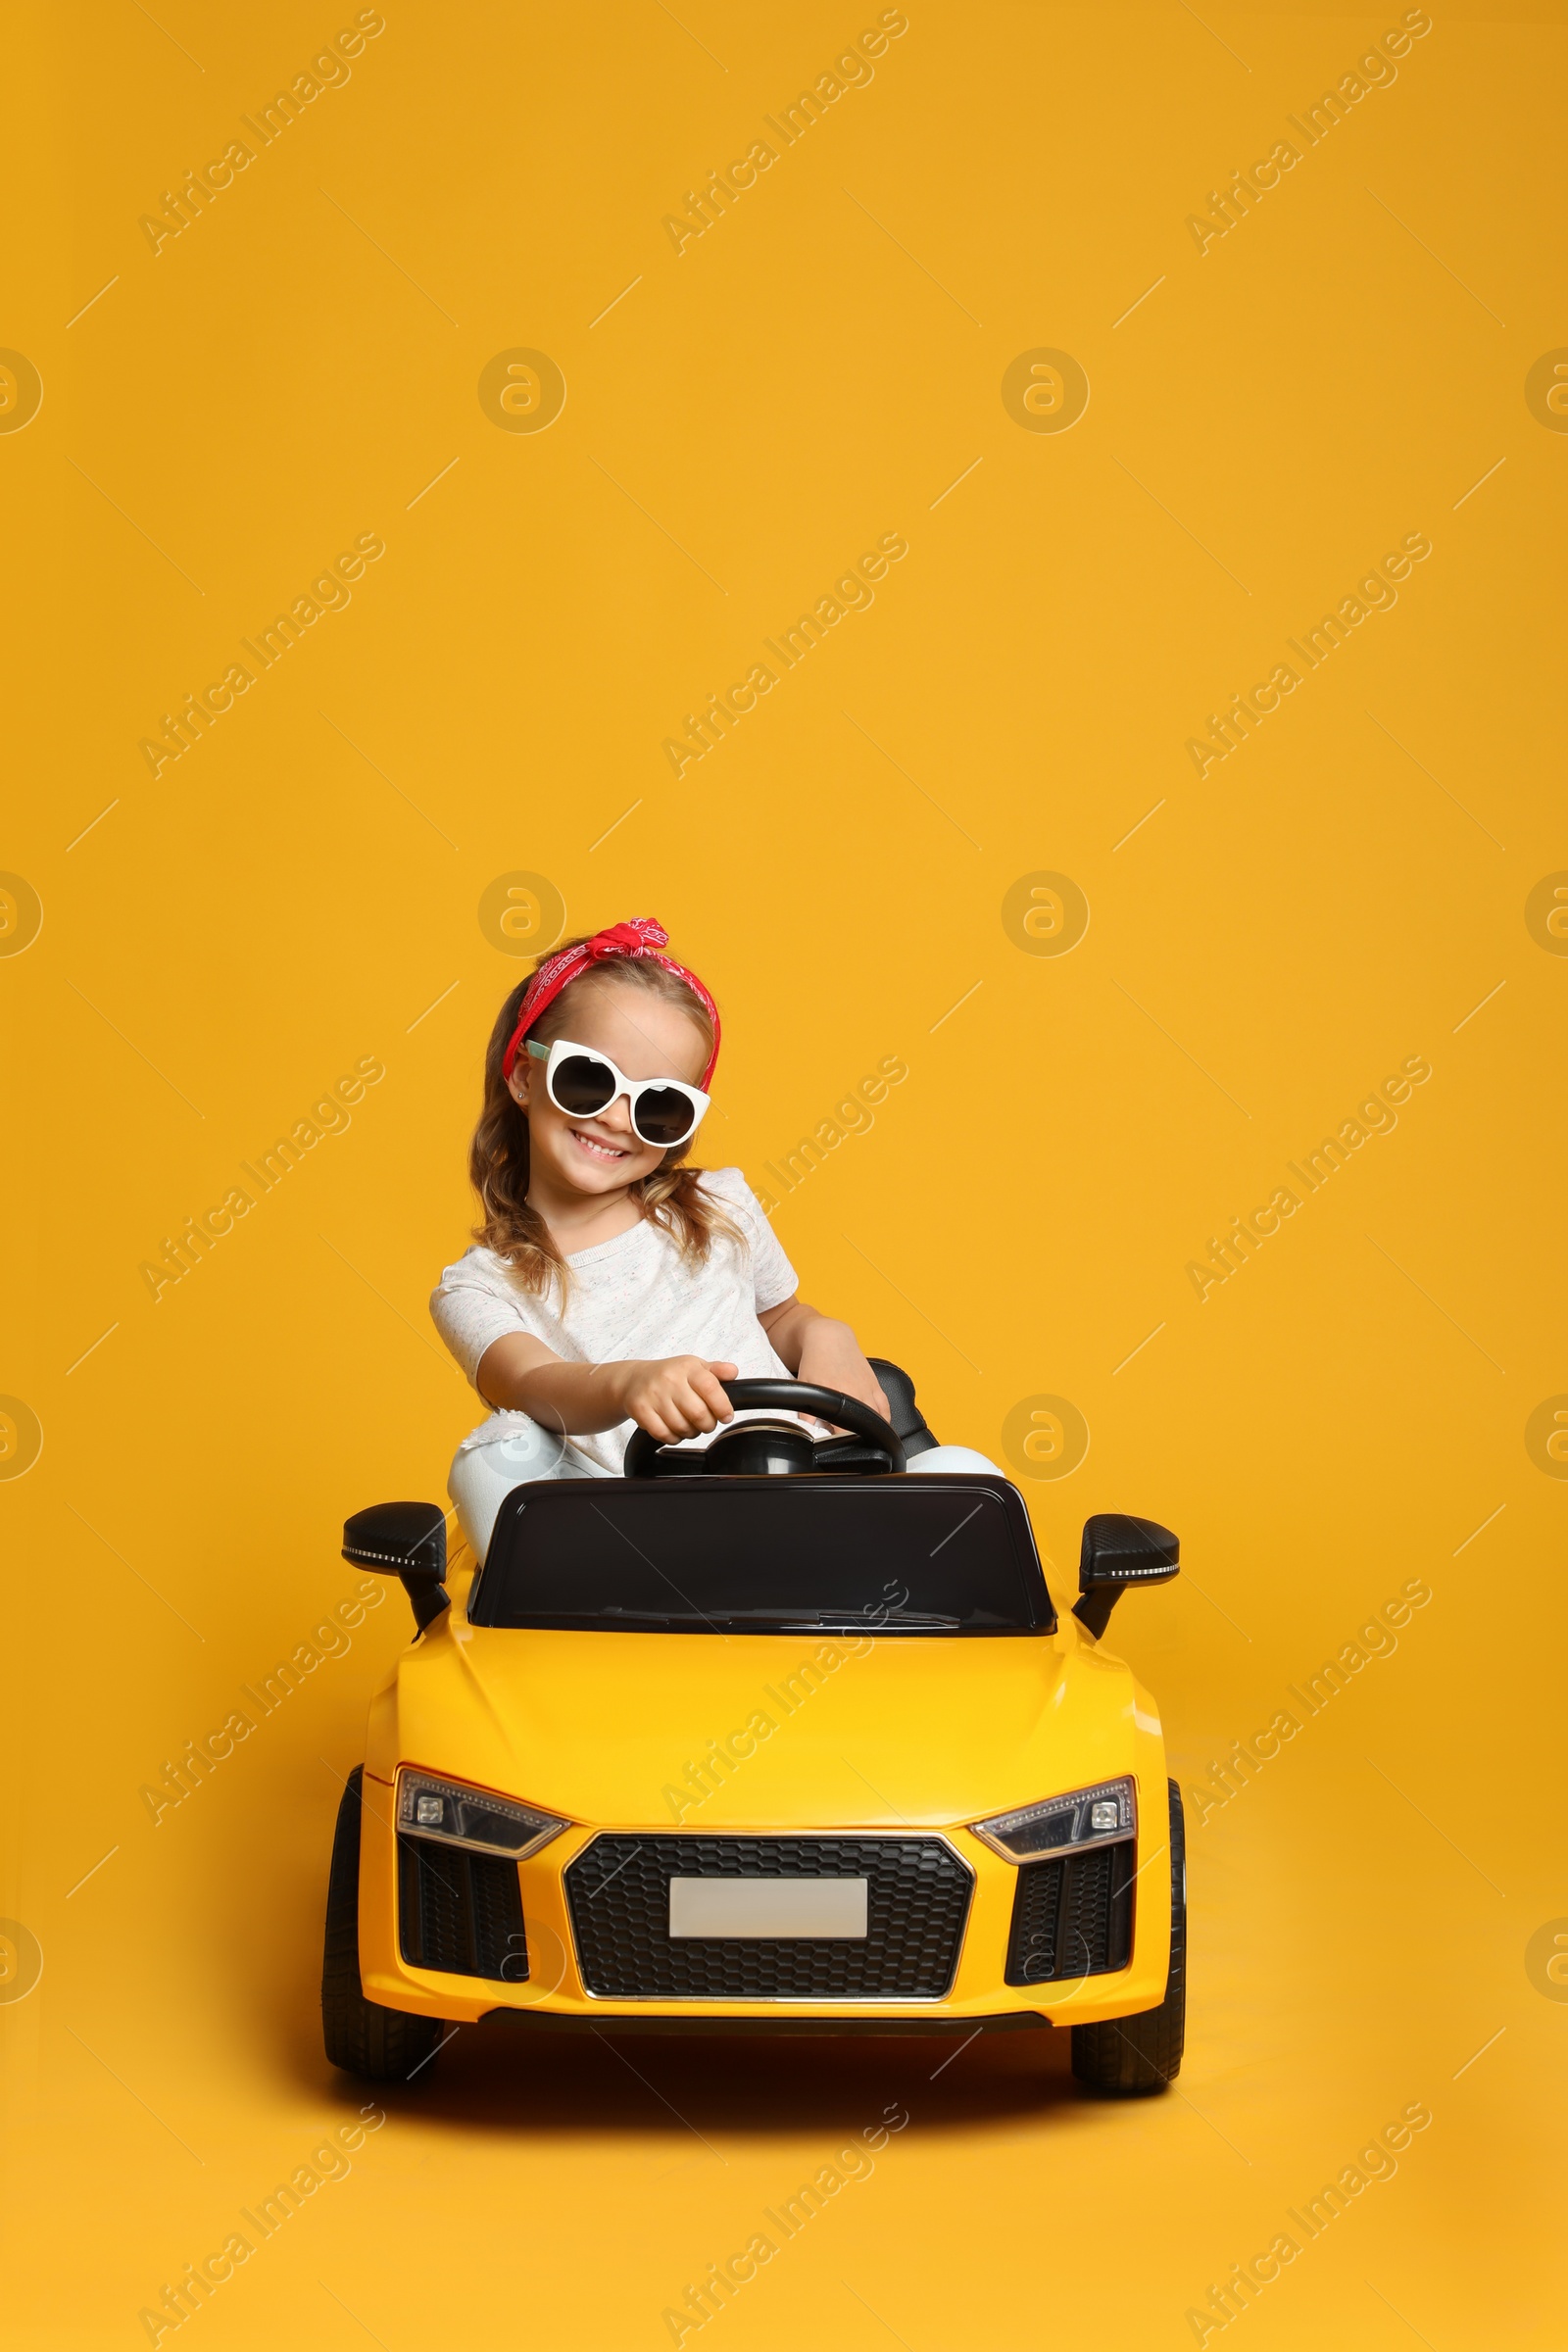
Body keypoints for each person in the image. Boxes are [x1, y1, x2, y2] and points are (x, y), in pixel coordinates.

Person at [431, 916, 998, 1558]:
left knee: (971, 1471)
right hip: (645, 1536)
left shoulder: (719, 1205)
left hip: (810, 1492)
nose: (619, 1120)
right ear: (524, 1074)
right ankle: (596, 1627)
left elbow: (779, 1315)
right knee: (497, 1452)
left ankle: (909, 1621)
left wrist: (826, 1334)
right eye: (589, 1080)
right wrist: (626, 1385)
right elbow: (533, 1384)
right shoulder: (478, 1287)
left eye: (658, 1105)